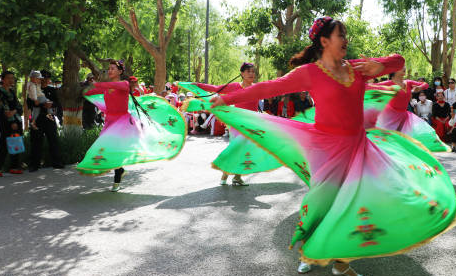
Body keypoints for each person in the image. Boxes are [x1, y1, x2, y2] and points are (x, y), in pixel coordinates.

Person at [208, 17, 456, 276]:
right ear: (324, 41)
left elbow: (399, 60)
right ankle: (309, 254)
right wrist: (226, 98)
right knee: (322, 203)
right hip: (327, 149)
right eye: (341, 35)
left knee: (360, 201)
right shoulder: (310, 73)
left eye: (346, 34)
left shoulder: (358, 69)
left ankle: (341, 263)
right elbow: (268, 87)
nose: (346, 40)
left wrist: (381, 65)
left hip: (360, 146)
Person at [78, 60, 186, 191]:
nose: (110, 70)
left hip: (122, 122)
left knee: (111, 147)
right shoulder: (107, 87)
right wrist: (84, 90)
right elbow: (91, 92)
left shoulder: (124, 84)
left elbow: (105, 86)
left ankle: (118, 176)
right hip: (109, 122)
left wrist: (97, 85)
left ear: (120, 71)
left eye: (113, 68)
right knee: (107, 148)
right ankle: (120, 171)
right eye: (109, 69)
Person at [190, 62, 282, 186]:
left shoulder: (257, 87)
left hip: (251, 124)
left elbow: (272, 90)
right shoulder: (235, 86)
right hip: (237, 124)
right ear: (242, 74)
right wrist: (197, 85)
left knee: (245, 151)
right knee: (237, 149)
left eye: (253, 71)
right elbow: (216, 88)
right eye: (248, 71)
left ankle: (237, 177)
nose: (251, 74)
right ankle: (225, 175)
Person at [372, 68, 449, 152]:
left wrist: (420, 87)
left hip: (404, 116)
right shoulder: (388, 83)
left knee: (405, 139)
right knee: (388, 140)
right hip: (390, 116)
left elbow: (425, 84)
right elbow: (371, 87)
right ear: (394, 70)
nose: (404, 68)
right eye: (400, 67)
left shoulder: (408, 82)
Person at [28, 71, 64, 172]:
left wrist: (51, 104)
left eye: (48, 78)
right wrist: (40, 105)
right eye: (44, 78)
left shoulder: (52, 90)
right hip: (37, 118)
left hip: (49, 117)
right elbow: (29, 102)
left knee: (53, 140)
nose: (46, 80)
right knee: (36, 141)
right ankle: (34, 164)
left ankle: (57, 163)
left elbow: (57, 103)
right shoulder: (33, 88)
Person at [0, 71, 24, 177]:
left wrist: (15, 113)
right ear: (3, 79)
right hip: (5, 121)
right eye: (9, 78)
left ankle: (14, 167)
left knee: (16, 143)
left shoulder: (12, 91)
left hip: (16, 119)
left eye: (12, 78)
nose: (11, 80)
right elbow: (6, 110)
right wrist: (12, 121)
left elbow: (19, 107)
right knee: (4, 144)